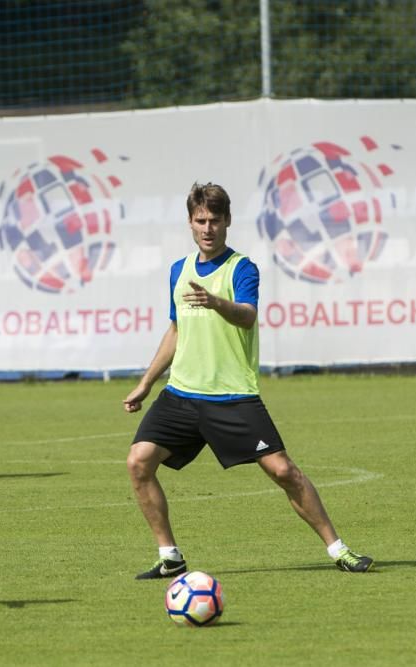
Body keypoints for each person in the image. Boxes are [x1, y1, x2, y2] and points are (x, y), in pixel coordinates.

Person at [123, 182, 373, 579]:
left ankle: (338, 549)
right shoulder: (178, 270)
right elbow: (175, 330)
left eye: (215, 221)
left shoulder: (242, 268)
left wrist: (216, 302)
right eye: (200, 220)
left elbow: (246, 315)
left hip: (232, 396)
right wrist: (147, 382)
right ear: (190, 222)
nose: (207, 228)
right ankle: (170, 555)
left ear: (227, 223)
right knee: (138, 462)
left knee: (283, 472)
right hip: (182, 395)